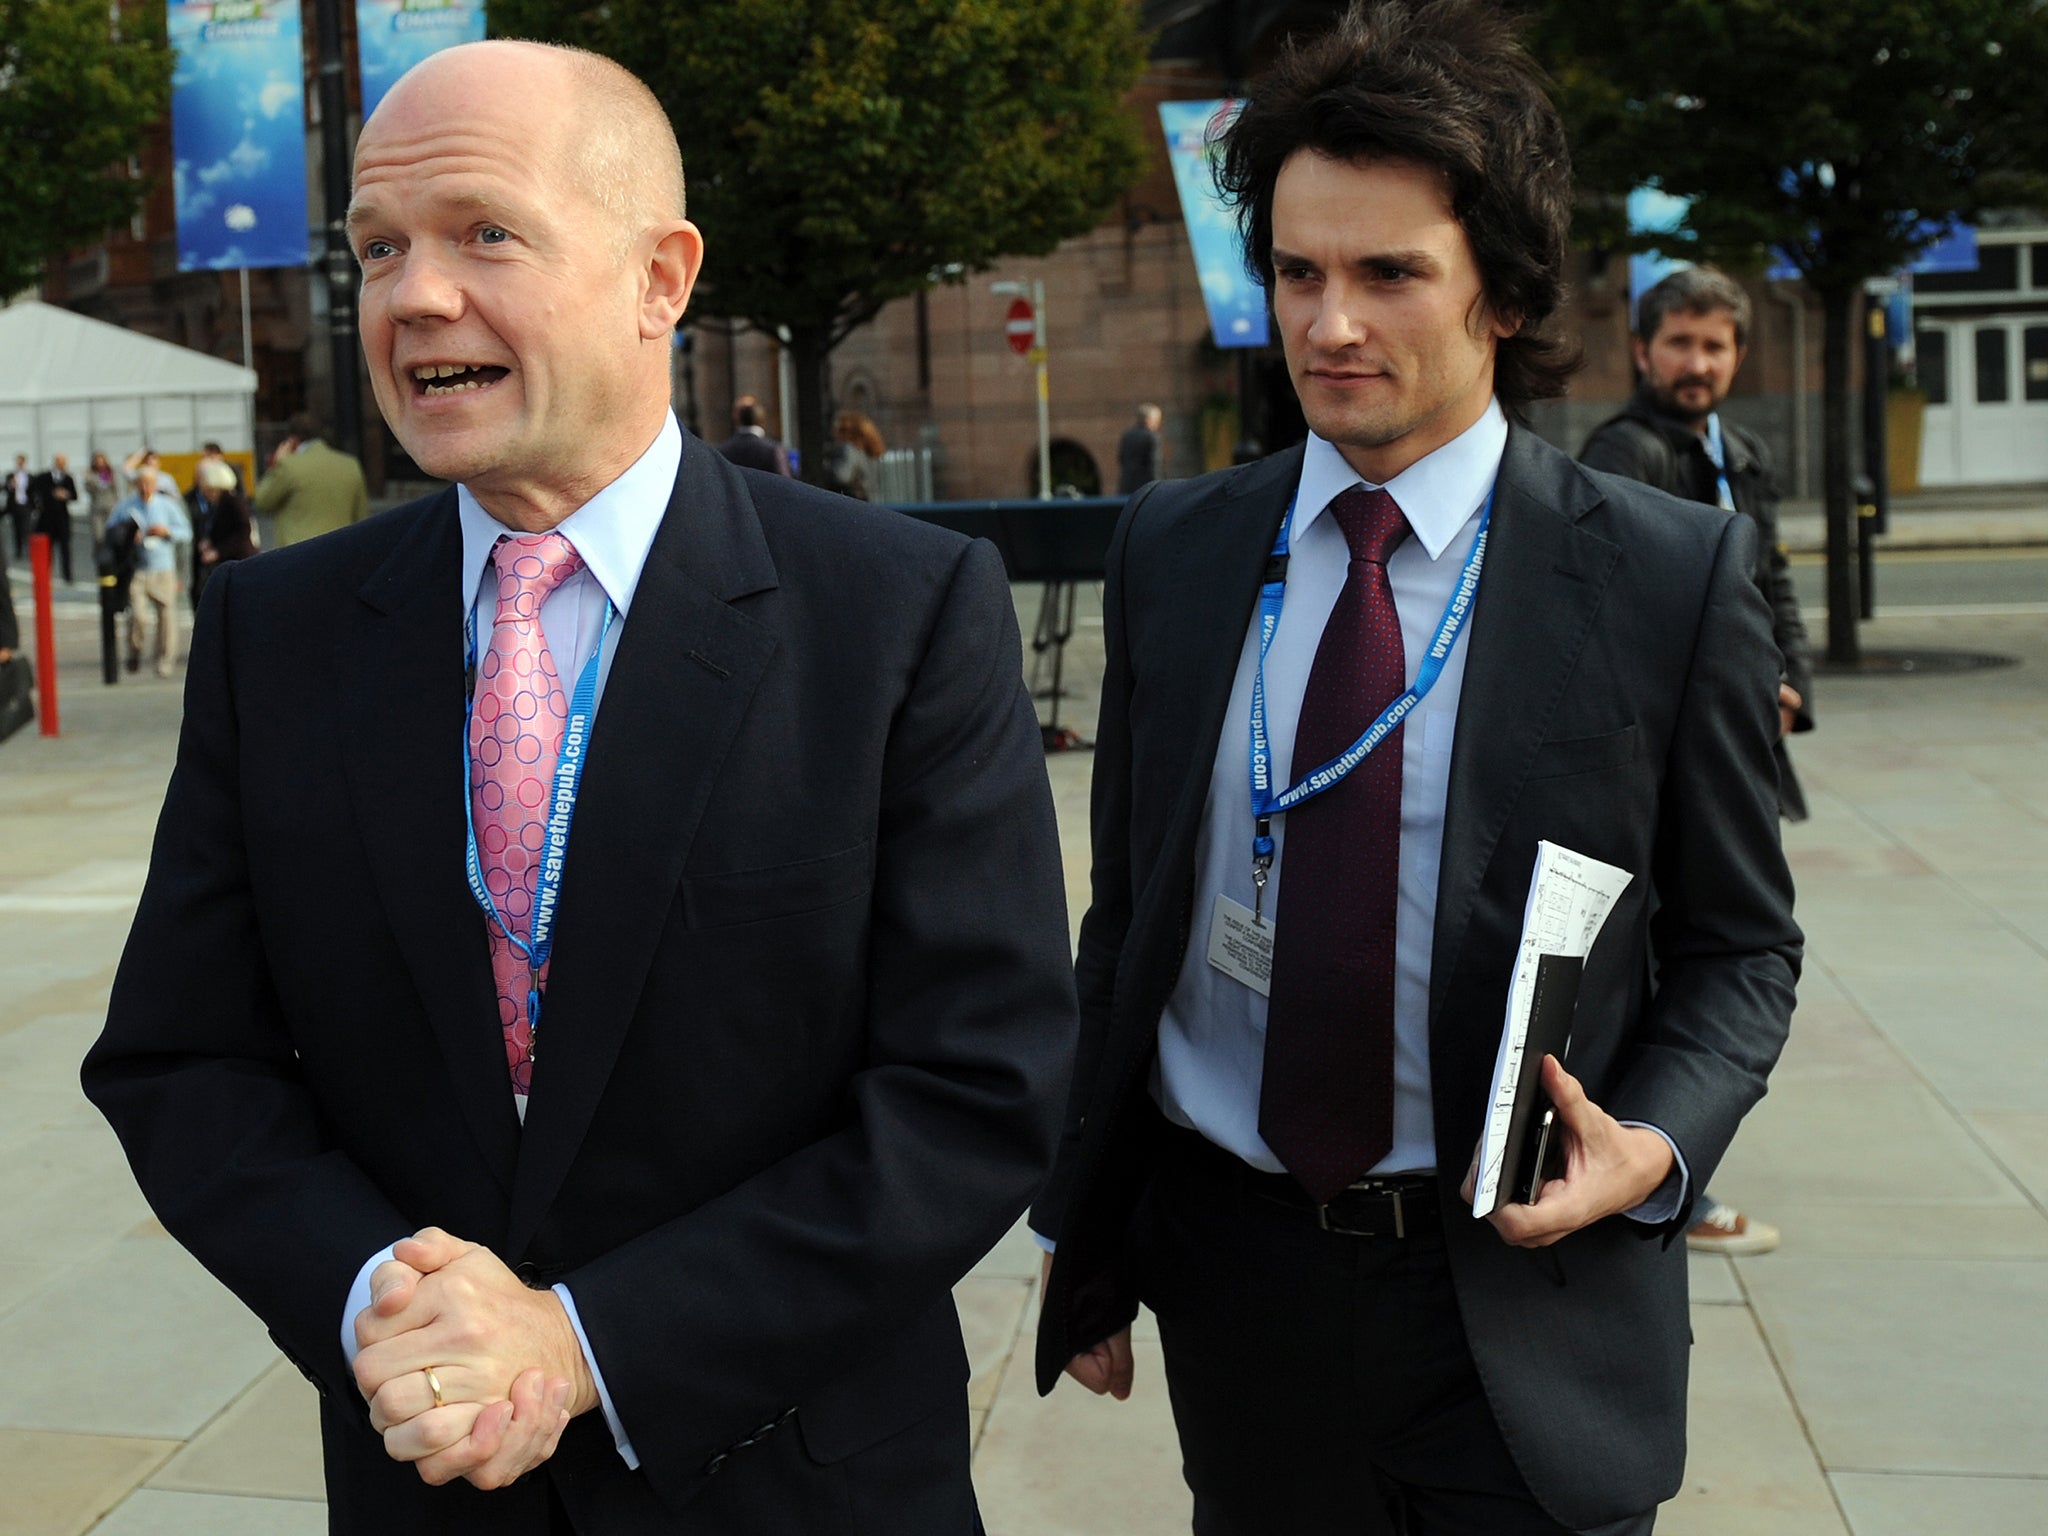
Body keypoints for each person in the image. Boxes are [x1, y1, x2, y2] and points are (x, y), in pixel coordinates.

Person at [83, 37, 1073, 1535]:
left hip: (801, 1486)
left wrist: (588, 1343)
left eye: (485, 233)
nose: (414, 296)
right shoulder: (272, 636)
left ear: (659, 279)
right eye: (377, 248)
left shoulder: (899, 613)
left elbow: (973, 1092)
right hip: (429, 1482)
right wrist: (379, 1302)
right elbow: (182, 1062)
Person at [1030, 4, 1801, 1533]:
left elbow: (1741, 948)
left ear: (1503, 292)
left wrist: (1648, 1149)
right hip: (1242, 1295)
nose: (1331, 325)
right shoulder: (1178, 553)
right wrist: (1090, 1222)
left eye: (1390, 275)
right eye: (1300, 272)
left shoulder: (1664, 576)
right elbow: (1133, 927)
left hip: (1524, 1298)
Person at [1578, 264, 1814, 1261]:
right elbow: (1613, 613)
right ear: (1641, 351)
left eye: (1713, 346)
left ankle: (1666, 1153)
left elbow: (1771, 578)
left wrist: (1789, 675)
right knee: (1666, 959)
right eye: (1677, 343)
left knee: (1726, 945)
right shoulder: (1623, 453)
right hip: (1659, 755)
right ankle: (1665, 1166)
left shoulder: (1739, 453)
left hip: (1732, 744)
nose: (1695, 363)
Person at [103, 467, 191, 678]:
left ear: (156, 485)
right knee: (138, 615)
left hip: (163, 568)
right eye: (141, 484)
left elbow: (186, 532)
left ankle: (165, 661)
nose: (145, 488)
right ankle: (135, 649)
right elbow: (111, 530)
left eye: (149, 484)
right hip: (138, 569)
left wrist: (166, 531)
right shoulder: (127, 505)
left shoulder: (167, 505)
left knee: (167, 617)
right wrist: (126, 534)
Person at [255, 414, 371, 546]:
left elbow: (262, 500)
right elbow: (361, 515)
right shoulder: (351, 465)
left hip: (299, 552)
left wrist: (275, 465)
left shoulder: (288, 466)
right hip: (341, 548)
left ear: (292, 440)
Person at [188, 457, 257, 607]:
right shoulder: (216, 504)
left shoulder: (232, 501)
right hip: (226, 561)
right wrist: (208, 542)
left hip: (239, 560)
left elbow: (243, 531)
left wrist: (218, 551)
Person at [715, 396, 793, 475]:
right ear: (761, 416)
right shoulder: (773, 450)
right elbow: (786, 480)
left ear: (737, 417)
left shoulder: (723, 451)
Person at [32, 454, 79, 585]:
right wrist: (43, 500)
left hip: (62, 518)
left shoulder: (68, 478)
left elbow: (75, 495)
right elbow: (34, 491)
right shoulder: (44, 477)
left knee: (65, 548)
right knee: (47, 549)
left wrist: (66, 495)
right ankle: (45, 574)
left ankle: (68, 575)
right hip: (47, 518)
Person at [826, 410, 886, 500]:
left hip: (850, 500)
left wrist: (826, 468)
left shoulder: (848, 449)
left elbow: (842, 476)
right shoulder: (868, 454)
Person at [1116, 402, 1164, 495]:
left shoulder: (1127, 436)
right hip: (1145, 490)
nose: (1158, 424)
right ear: (1148, 420)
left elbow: (1121, 459)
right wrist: (1157, 490)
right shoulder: (1152, 437)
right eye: (1156, 420)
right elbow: (1154, 466)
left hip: (1126, 487)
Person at [81, 452, 122, 550]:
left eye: (101, 461)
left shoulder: (110, 473)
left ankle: (111, 557)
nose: (100, 464)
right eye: (97, 462)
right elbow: (89, 490)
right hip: (97, 508)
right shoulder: (92, 475)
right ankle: (100, 558)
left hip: (110, 506)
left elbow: (115, 490)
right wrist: (87, 479)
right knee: (98, 537)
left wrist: (118, 505)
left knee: (111, 534)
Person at [4, 454, 31, 559]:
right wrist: (10, 485)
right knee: (16, 529)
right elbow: (5, 489)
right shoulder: (10, 476)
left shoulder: (28, 476)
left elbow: (33, 491)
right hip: (15, 505)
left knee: (26, 528)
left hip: (25, 504)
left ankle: (27, 549)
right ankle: (18, 550)